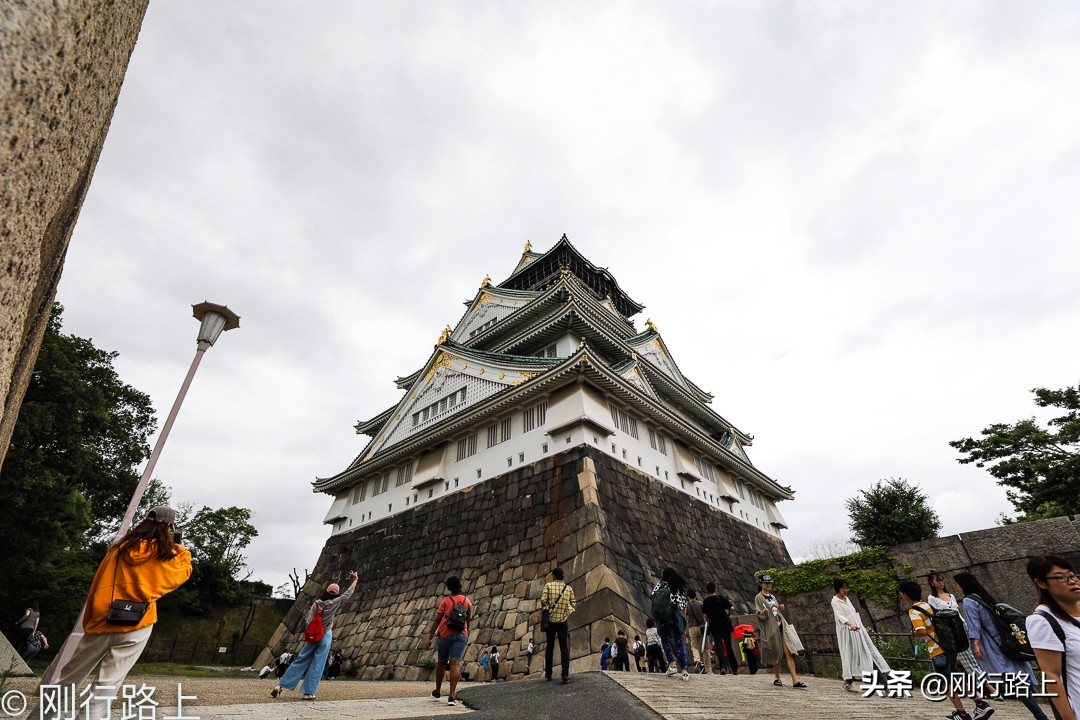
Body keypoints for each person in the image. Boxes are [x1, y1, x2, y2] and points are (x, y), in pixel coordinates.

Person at [57, 506, 192, 720]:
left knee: (69, 678)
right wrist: (181, 551)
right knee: (107, 685)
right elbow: (182, 573)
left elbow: (99, 582)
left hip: (103, 618)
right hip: (138, 623)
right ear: (169, 527)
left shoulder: (118, 550)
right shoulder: (164, 555)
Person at [953, 571, 1047, 720]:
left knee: (1014, 681)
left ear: (962, 585)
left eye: (957, 584)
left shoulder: (969, 601)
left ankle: (1040, 715)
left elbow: (974, 625)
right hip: (1005, 643)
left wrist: (975, 645)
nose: (957, 586)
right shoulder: (984, 597)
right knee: (1019, 679)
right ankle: (1042, 710)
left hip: (992, 647)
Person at [900, 579, 990, 720]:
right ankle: (981, 704)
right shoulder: (927, 605)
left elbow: (922, 631)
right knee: (955, 678)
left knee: (945, 683)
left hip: (938, 650)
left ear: (905, 595)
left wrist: (914, 633)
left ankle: (962, 713)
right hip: (949, 646)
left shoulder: (914, 611)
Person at [271, 570, 357, 700]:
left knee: (300, 660)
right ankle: (308, 692)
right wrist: (355, 579)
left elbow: (308, 622)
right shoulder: (335, 603)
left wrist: (311, 633)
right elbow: (348, 594)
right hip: (325, 634)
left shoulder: (316, 604)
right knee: (318, 663)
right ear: (336, 594)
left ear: (326, 592)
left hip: (313, 635)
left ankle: (280, 686)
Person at [1026, 555, 1080, 720]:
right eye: (1060, 577)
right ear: (1041, 583)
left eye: (1072, 575)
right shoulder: (1042, 621)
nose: (1072, 581)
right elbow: (1051, 675)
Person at [831, 578, 890, 692]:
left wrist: (859, 628)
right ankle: (849, 680)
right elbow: (839, 616)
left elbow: (853, 614)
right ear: (838, 588)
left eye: (847, 588)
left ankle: (885, 684)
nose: (846, 590)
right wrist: (850, 624)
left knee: (868, 654)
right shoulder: (835, 601)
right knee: (850, 655)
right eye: (843, 588)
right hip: (847, 632)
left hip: (857, 630)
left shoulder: (847, 599)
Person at [928, 572, 985, 682]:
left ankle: (984, 681)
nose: (941, 582)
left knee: (976, 653)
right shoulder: (932, 598)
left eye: (942, 580)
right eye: (938, 581)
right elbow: (936, 617)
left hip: (962, 625)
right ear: (932, 583)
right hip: (951, 631)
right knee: (967, 658)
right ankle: (983, 685)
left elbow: (957, 612)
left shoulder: (951, 596)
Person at [427, 575, 472, 706]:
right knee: (455, 663)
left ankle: (437, 691)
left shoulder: (446, 601)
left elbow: (437, 620)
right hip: (461, 634)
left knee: (441, 662)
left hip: (445, 634)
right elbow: (468, 621)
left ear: (449, 589)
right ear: (460, 587)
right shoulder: (467, 602)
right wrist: (466, 633)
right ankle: (452, 696)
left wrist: (430, 637)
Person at [755, 574, 805, 688]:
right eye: (766, 583)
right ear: (761, 584)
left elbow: (776, 611)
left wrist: (780, 608)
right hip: (772, 628)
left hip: (781, 626)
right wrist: (764, 613)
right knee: (776, 652)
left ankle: (795, 680)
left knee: (789, 652)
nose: (768, 585)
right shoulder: (758, 597)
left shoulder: (772, 597)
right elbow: (758, 612)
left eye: (770, 583)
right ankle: (777, 677)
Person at [652, 567, 690, 681]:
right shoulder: (679, 588)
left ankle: (672, 664)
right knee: (679, 642)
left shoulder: (661, 584)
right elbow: (683, 606)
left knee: (665, 640)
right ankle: (684, 671)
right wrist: (684, 622)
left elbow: (653, 595)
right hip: (676, 616)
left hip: (663, 616)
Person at [541, 566, 575, 684]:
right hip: (562, 622)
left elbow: (543, 600)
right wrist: (565, 612)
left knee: (550, 646)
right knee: (564, 647)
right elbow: (573, 603)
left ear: (554, 576)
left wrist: (548, 609)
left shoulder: (548, 586)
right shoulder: (568, 588)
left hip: (550, 622)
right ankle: (565, 675)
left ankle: (549, 674)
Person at [702, 582, 738, 675]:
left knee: (719, 646)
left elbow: (705, 616)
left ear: (708, 591)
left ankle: (722, 667)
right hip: (725, 624)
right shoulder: (720, 598)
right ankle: (735, 669)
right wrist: (728, 615)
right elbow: (732, 608)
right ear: (715, 589)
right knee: (728, 646)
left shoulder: (706, 601)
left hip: (714, 625)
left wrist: (709, 618)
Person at [684, 590, 708, 672]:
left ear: (688, 596)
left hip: (692, 627)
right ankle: (708, 668)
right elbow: (705, 615)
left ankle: (697, 660)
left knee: (694, 646)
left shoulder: (687, 605)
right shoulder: (701, 603)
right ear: (695, 595)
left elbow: (685, 616)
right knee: (705, 647)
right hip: (702, 627)